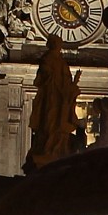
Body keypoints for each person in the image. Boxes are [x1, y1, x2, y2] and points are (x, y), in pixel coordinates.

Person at [26, 36, 79, 169]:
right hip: (51, 97)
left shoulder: (59, 61)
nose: (58, 45)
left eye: (59, 43)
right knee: (49, 121)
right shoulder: (48, 59)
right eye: (56, 43)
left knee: (54, 121)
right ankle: (49, 147)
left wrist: (71, 85)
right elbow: (45, 76)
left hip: (59, 98)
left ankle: (53, 147)